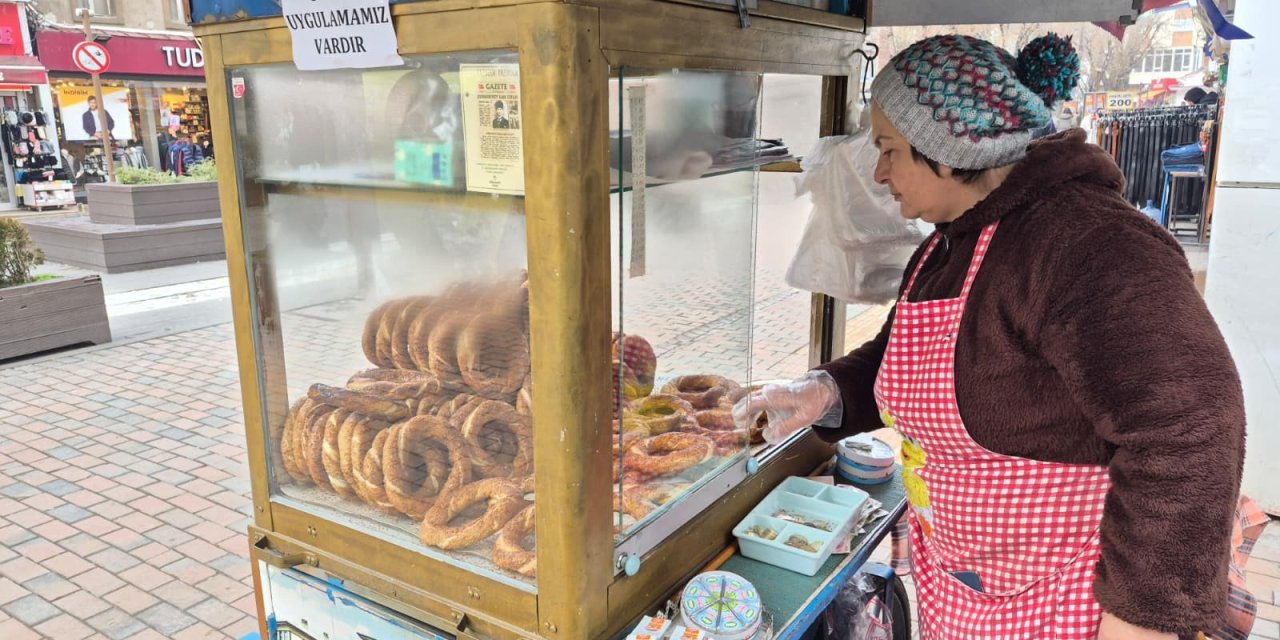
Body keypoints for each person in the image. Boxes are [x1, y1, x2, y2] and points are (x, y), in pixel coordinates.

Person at [736, 33, 1245, 639]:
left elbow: (1190, 427)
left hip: (1074, 601)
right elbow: (925, 362)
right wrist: (824, 391)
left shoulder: (1088, 244)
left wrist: (1145, 621)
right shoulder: (949, 243)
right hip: (973, 581)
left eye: (889, 149)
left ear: (947, 151)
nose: (878, 171)